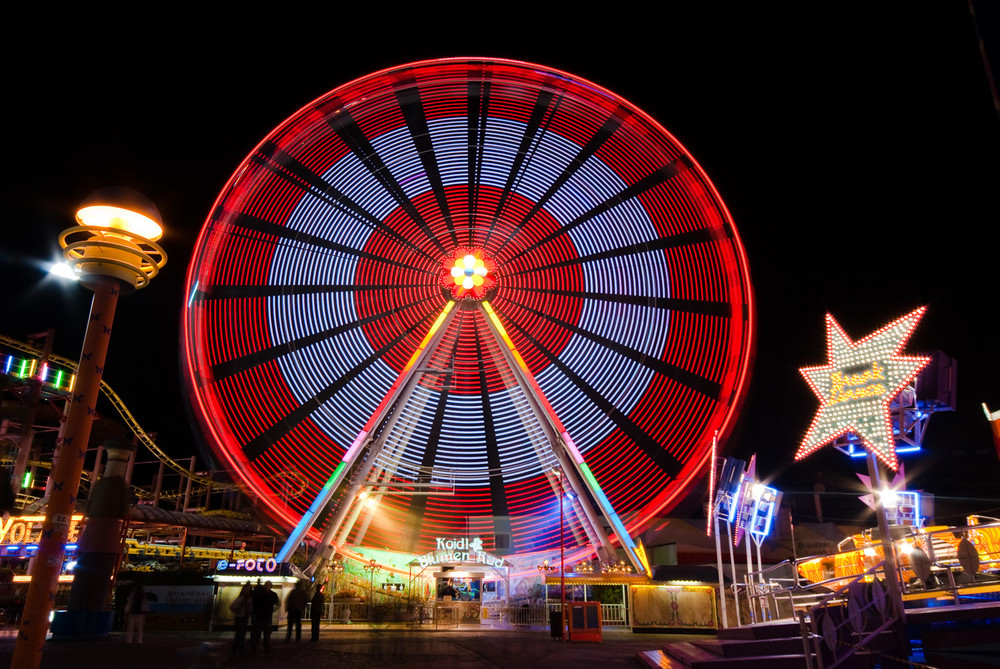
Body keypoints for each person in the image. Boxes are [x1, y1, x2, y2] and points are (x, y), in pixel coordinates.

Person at [249, 580, 279, 656]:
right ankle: (261, 649)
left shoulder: (262, 594)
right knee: (261, 634)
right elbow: (278, 604)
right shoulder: (272, 595)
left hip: (263, 616)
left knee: (263, 635)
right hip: (263, 616)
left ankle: (260, 649)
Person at [229, 582, 253, 657]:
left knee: (239, 635)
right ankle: (240, 651)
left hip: (243, 617)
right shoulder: (241, 599)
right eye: (247, 590)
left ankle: (234, 650)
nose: (248, 591)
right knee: (240, 635)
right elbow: (232, 607)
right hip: (240, 618)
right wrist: (239, 609)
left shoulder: (247, 599)